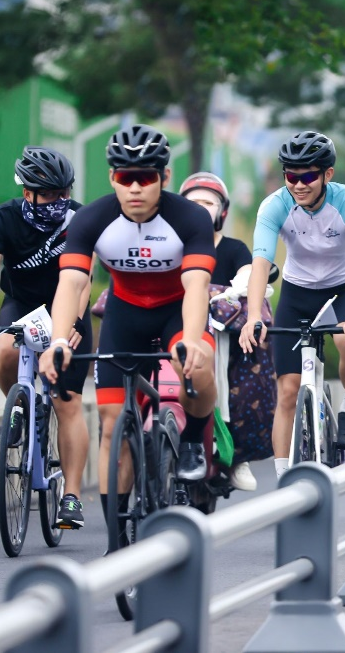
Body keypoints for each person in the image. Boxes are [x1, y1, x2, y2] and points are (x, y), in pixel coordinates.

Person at [38, 124, 218, 526]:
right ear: (111, 179)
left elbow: (196, 286)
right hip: (125, 311)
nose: (135, 187)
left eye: (146, 177)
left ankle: (192, 441)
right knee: (110, 426)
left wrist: (190, 341)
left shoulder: (190, 218)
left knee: (200, 363)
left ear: (165, 178)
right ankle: (116, 536)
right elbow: (72, 282)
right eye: (125, 177)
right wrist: (57, 341)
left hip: (177, 308)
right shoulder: (91, 219)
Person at [0, 147, 91, 529]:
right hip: (23, 304)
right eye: (48, 195)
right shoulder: (4, 218)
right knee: (2, 356)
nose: (57, 202)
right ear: (27, 192)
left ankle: (72, 497)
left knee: (68, 403)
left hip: (69, 308)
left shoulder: (78, 217)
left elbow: (83, 280)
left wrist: (77, 324)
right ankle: (20, 407)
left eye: (63, 194)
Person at [238, 131, 345, 477]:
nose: (298, 185)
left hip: (341, 290)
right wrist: (254, 314)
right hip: (297, 294)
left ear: (328, 174)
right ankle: (284, 479)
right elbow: (260, 264)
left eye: (308, 176)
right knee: (286, 391)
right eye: (291, 176)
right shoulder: (274, 206)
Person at [179, 172, 260, 491]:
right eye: (192, 203)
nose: (199, 209)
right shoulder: (173, 245)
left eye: (207, 203)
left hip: (222, 330)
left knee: (246, 372)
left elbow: (249, 271)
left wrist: (244, 282)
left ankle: (237, 455)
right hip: (178, 324)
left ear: (222, 211)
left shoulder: (233, 248)